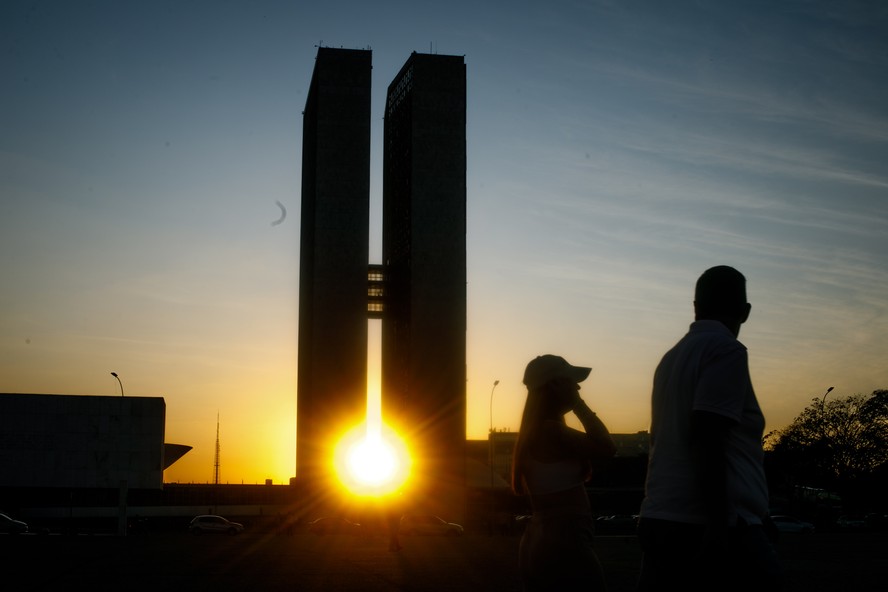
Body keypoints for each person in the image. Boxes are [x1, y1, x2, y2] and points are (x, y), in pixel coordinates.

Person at [636, 266, 783, 592]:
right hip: (707, 523)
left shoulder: (671, 358)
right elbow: (708, 436)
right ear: (745, 312)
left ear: (695, 306)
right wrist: (720, 525)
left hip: (663, 516)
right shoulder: (726, 349)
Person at [511, 354, 617, 591]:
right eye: (572, 382)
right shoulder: (551, 431)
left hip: (542, 537)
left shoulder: (535, 432)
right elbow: (607, 447)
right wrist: (578, 404)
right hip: (564, 540)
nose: (578, 387)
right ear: (555, 387)